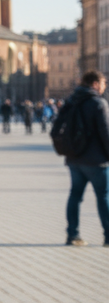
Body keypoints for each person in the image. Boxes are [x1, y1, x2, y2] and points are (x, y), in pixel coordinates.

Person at [59, 71, 109, 247]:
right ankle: (108, 236)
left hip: (74, 158)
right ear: (95, 84)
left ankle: (72, 235)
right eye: (103, 83)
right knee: (103, 196)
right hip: (96, 160)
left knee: (75, 195)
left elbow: (58, 126)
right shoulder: (99, 103)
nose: (104, 86)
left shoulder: (72, 101)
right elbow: (106, 132)